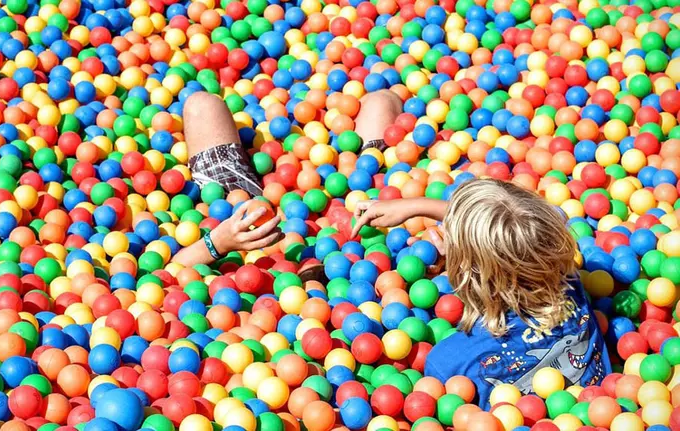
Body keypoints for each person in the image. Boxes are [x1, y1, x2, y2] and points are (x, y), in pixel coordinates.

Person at [351, 179, 610, 409]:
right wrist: (416, 206)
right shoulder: (568, 279)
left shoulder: (450, 362)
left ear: (467, 277)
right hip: (600, 407)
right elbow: (522, 226)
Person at [169, 89, 403, 267]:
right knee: (383, 99)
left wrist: (219, 239)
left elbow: (168, 273)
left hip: (241, 217)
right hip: (357, 207)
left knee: (201, 104)